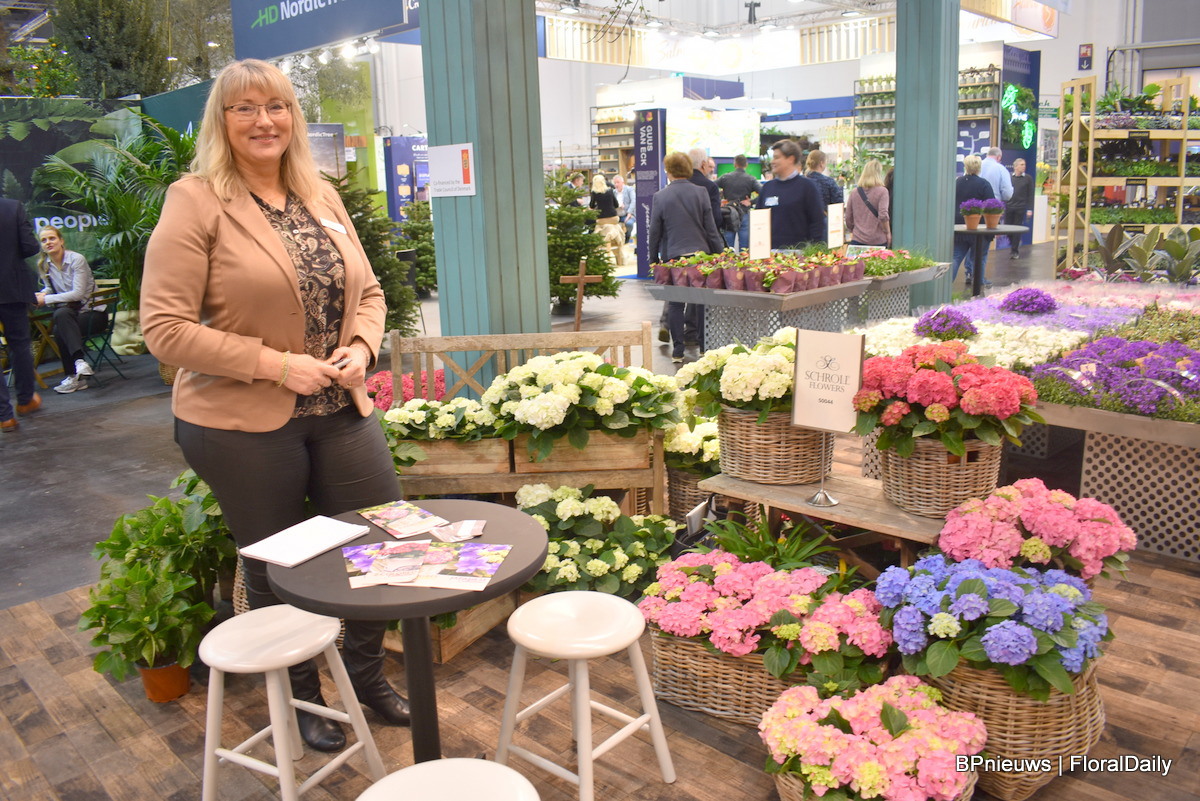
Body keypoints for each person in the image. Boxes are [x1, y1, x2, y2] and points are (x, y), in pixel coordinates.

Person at [141, 59, 409, 754]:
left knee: (379, 543)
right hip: (241, 426)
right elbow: (164, 329)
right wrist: (278, 365)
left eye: (277, 106)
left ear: (294, 117)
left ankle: (367, 677)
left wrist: (362, 346)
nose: (264, 121)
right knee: (277, 564)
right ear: (221, 121)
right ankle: (303, 697)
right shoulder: (196, 199)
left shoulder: (320, 194)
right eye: (245, 108)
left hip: (340, 409)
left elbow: (370, 292)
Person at [648, 151, 723, 365]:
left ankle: (678, 351)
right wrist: (720, 255)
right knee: (700, 302)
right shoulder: (701, 192)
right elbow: (711, 229)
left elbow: (655, 231)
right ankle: (703, 347)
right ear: (689, 169)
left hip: (673, 257)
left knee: (675, 304)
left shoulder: (660, 196)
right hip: (700, 255)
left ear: (669, 171)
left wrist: (654, 259)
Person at [34, 226, 107, 395]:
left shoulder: (76, 259)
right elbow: (51, 288)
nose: (48, 242)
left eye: (52, 238)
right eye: (44, 240)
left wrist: (46, 300)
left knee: (60, 325)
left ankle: (73, 376)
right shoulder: (44, 265)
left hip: (93, 314)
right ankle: (79, 364)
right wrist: (42, 294)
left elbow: (77, 294)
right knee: (61, 318)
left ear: (61, 240)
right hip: (70, 315)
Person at [0, 196, 42, 432]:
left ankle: (4, 416)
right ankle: (25, 401)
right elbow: (30, 247)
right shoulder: (11, 207)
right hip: (12, 289)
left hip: (12, 289)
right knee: (20, 346)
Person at [756, 139, 826, 249]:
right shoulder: (767, 188)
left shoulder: (807, 187)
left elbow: (817, 222)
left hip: (799, 255)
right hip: (770, 254)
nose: (772, 162)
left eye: (777, 157)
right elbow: (758, 221)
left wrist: (811, 252)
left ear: (790, 159)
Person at [952, 155, 996, 283]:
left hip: (959, 228)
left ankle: (947, 284)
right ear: (979, 168)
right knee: (979, 257)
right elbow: (991, 206)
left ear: (965, 166)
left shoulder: (957, 183)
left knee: (956, 257)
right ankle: (979, 281)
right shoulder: (984, 184)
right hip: (979, 229)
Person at [715, 154, 761, 250]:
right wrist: (752, 202)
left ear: (735, 164)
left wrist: (719, 200)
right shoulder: (751, 179)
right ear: (746, 164)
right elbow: (764, 192)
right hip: (744, 212)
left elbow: (711, 187)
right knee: (744, 247)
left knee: (728, 247)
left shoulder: (725, 178)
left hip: (729, 213)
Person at [844, 159, 891, 248]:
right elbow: (883, 215)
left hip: (857, 240)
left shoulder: (854, 192)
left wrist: (854, 231)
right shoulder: (882, 191)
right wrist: (888, 233)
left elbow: (848, 217)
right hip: (878, 240)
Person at [805, 150, 844, 240]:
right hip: (823, 225)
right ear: (821, 163)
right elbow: (838, 204)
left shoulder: (802, 181)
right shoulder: (829, 182)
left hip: (804, 226)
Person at [589, 174, 625, 267]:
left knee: (594, 225)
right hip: (613, 218)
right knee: (615, 223)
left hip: (601, 219)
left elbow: (591, 206)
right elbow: (616, 205)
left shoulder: (594, 193)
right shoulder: (610, 191)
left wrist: (598, 206)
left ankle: (599, 249)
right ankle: (619, 252)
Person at [1006, 158, 1035, 258]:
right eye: (1021, 164)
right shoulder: (1009, 177)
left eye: (1024, 164)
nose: (1024, 166)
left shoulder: (1028, 178)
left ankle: (1014, 251)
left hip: (1020, 207)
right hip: (1009, 206)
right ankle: (1014, 242)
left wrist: (1030, 209)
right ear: (1016, 166)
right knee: (1007, 228)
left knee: (1017, 229)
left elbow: (1030, 195)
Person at [612, 174, 636, 243]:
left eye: (618, 182)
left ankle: (627, 236)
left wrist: (629, 214)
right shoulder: (613, 192)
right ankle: (617, 239)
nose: (616, 184)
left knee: (629, 224)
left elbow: (633, 201)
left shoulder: (629, 189)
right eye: (615, 183)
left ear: (622, 182)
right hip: (617, 215)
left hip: (628, 214)